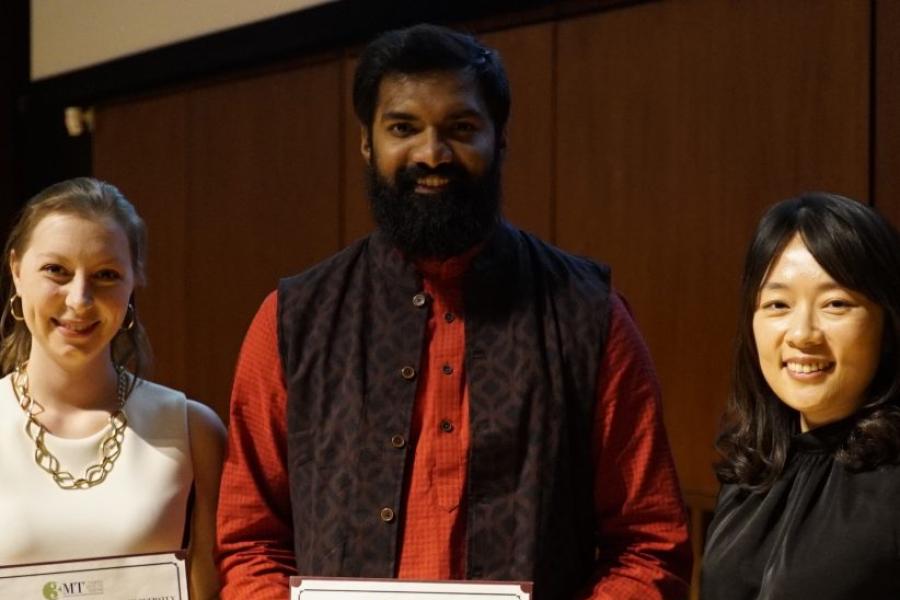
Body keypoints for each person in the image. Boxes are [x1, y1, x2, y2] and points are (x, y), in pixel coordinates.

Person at [216, 24, 691, 600]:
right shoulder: (293, 320)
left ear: (499, 138)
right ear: (367, 143)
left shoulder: (589, 315)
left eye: (461, 128)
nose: (432, 154)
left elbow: (649, 542)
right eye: (403, 128)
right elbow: (250, 540)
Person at [0, 177, 226, 600]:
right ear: (16, 271)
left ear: (133, 282)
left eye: (106, 274)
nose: (80, 299)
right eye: (56, 271)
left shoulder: (193, 431)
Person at [701, 193, 900, 599]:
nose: (802, 334)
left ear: (888, 321)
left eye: (836, 303)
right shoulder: (753, 469)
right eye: (777, 304)